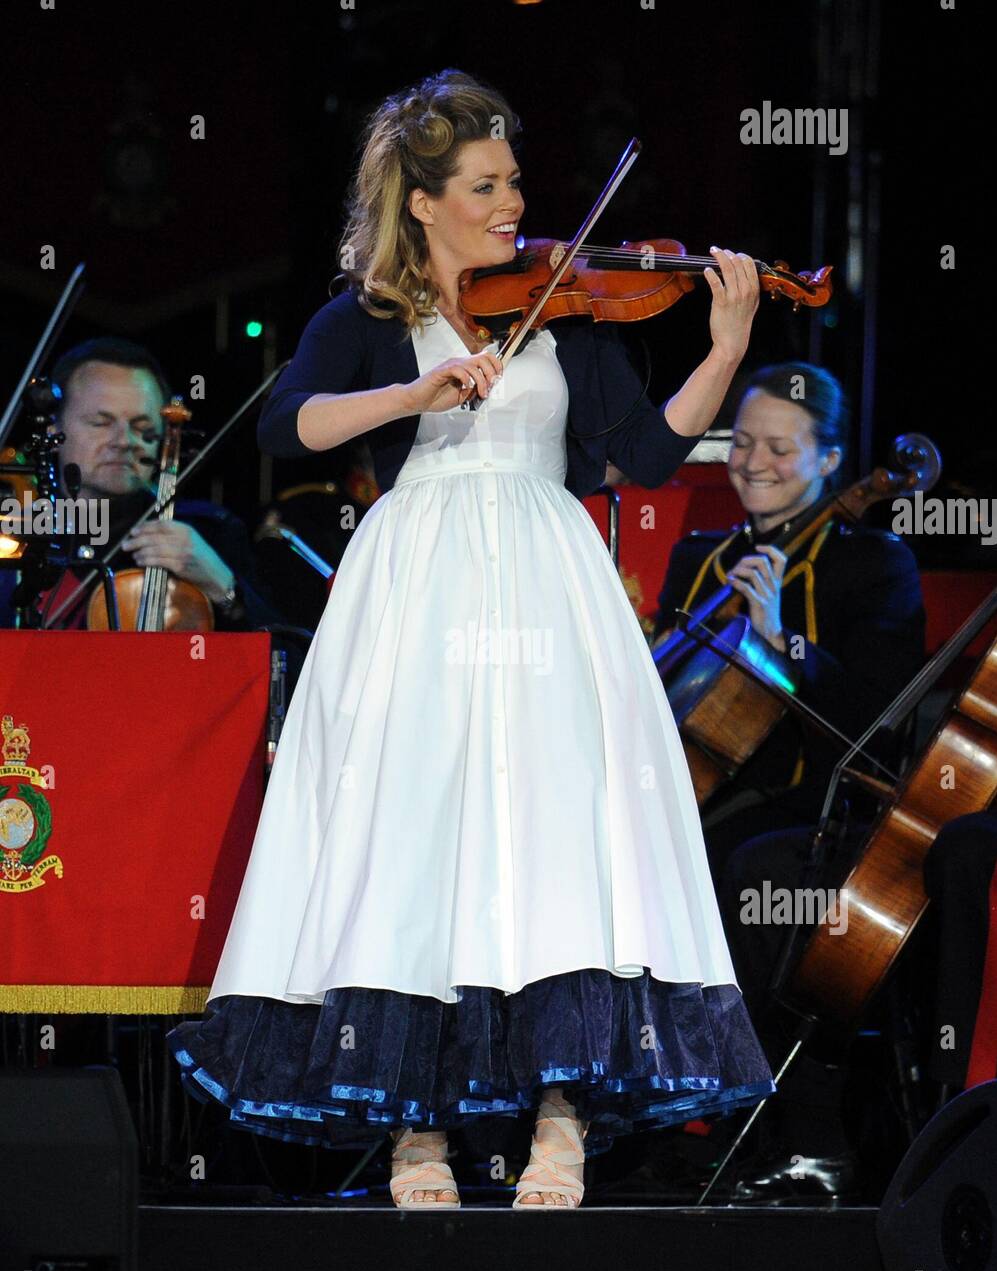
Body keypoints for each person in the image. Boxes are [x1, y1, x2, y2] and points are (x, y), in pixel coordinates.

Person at [167, 68, 775, 1210]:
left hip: (546, 582)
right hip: (418, 590)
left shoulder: (565, 311)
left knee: (554, 837)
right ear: (421, 201)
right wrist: (414, 395)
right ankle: (414, 1137)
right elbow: (287, 423)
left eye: (515, 181)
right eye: (486, 185)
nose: (512, 205)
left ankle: (560, 1120)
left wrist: (725, 347)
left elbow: (642, 458)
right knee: (414, 839)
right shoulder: (363, 320)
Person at [652, 363, 925, 885]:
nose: (754, 463)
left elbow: (876, 727)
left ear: (829, 460)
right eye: (743, 442)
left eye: (779, 449)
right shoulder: (699, 558)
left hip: (810, 803)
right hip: (691, 792)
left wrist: (780, 639)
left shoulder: (875, 566)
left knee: (716, 865)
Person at [9, 338, 283, 633]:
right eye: (100, 422)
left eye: (143, 428)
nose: (125, 441)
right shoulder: (17, 530)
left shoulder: (208, 531)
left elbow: (286, 661)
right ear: (53, 430)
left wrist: (224, 588)